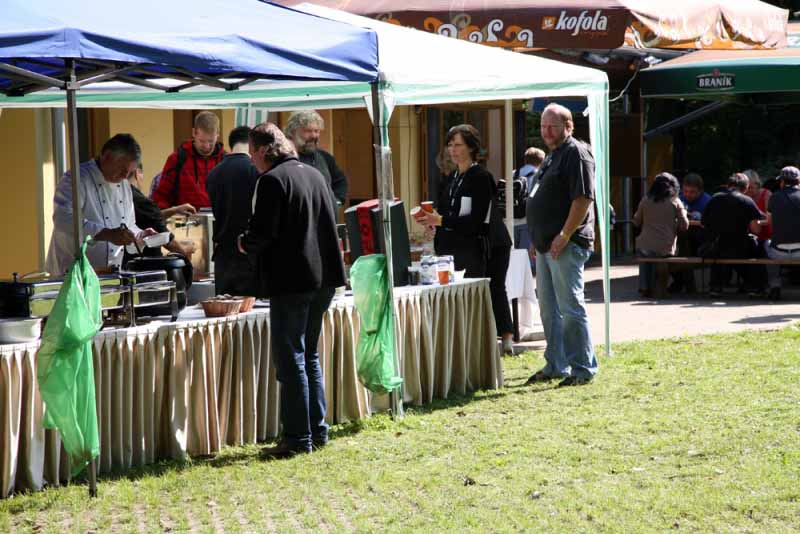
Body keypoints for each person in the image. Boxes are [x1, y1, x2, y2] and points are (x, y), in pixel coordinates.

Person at [238, 122, 345, 459]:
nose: (251, 160)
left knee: (291, 358)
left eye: (252, 154)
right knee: (308, 355)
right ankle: (316, 430)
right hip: (323, 278)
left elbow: (262, 233)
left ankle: (298, 437)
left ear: (262, 151)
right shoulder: (314, 174)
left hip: (294, 280)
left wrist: (243, 243)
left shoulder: (272, 180)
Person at [524, 103, 598, 387]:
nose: (546, 131)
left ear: (568, 126)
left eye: (552, 126)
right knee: (548, 309)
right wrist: (538, 238)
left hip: (566, 244)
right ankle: (556, 364)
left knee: (570, 308)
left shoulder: (576, 153)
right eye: (543, 126)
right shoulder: (552, 156)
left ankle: (583, 369)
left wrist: (564, 235)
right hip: (546, 245)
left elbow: (583, 199)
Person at [45, 134, 156, 276]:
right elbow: (63, 219)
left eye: (129, 172)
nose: (125, 176)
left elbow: (129, 225)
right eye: (122, 169)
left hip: (110, 273)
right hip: (72, 274)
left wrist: (141, 235)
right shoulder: (77, 178)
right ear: (107, 156)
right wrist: (107, 234)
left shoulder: (124, 185)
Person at [416, 124, 495, 278]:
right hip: (445, 254)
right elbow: (445, 213)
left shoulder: (481, 177)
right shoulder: (452, 177)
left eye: (458, 145)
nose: (452, 150)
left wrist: (440, 220)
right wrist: (432, 223)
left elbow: (476, 222)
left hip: (470, 254)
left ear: (471, 147)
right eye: (450, 145)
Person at [206, 126, 260, 295]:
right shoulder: (255, 170)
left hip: (223, 256)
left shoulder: (213, 174)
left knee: (225, 309)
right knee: (251, 309)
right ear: (251, 143)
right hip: (249, 254)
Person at [701, 172, 767, 297]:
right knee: (759, 247)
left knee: (719, 249)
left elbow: (703, 223)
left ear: (728, 185)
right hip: (740, 248)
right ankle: (756, 287)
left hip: (716, 248)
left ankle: (715, 286)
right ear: (746, 188)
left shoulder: (715, 198)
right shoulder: (747, 200)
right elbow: (756, 229)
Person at [152, 111, 225, 210]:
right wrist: (171, 213)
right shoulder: (177, 159)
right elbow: (161, 197)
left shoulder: (225, 161)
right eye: (202, 141)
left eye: (211, 141)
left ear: (217, 135)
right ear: (194, 133)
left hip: (219, 218)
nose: (206, 146)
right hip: (185, 218)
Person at [632, 172, 689, 298]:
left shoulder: (645, 200)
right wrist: (682, 213)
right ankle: (661, 287)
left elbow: (636, 221)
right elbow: (684, 225)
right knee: (663, 254)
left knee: (646, 253)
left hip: (644, 245)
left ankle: (645, 287)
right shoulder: (675, 201)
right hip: (666, 246)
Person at [125, 162, 195, 261]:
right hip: (146, 263)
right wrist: (187, 249)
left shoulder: (122, 197)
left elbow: (147, 218)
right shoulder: (140, 201)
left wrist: (174, 210)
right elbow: (167, 241)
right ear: (137, 173)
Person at [284, 110, 347, 207]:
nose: (314, 136)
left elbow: (340, 181)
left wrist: (336, 201)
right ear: (292, 132)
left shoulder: (325, 157)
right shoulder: (282, 158)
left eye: (316, 131)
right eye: (308, 131)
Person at [670, 172, 711, 293]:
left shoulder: (708, 201)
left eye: (692, 192)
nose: (688, 194)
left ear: (700, 191)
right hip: (679, 239)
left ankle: (682, 284)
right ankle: (684, 283)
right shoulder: (678, 199)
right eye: (685, 191)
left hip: (700, 241)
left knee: (683, 246)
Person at [765, 166, 800, 300]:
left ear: (782, 182)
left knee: (766, 243)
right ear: (799, 181)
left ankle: (775, 287)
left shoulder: (774, 197)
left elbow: (769, 223)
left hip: (778, 251)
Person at [513, 147, 545, 269]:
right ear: (541, 161)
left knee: (514, 261)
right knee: (527, 262)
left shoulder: (513, 174)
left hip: (511, 221)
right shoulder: (539, 175)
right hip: (528, 221)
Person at [743, 169, 772, 250]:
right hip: (749, 239)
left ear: (757, 184)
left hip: (766, 238)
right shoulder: (743, 196)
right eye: (746, 188)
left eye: (751, 187)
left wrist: (757, 221)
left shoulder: (766, 195)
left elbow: (770, 220)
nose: (748, 190)